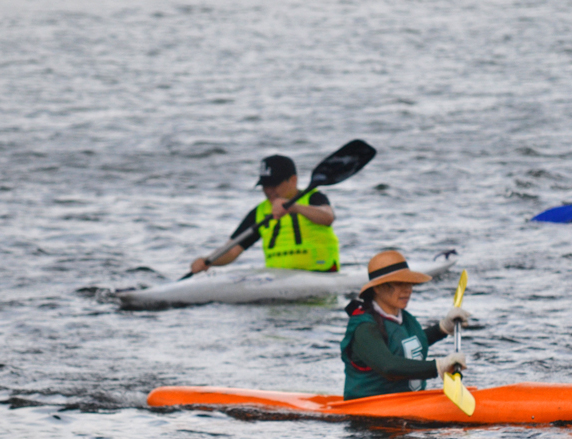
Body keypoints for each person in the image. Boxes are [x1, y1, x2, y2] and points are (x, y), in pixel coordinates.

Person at [340, 251, 470, 400]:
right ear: (377, 288)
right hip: (367, 414)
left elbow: (407, 344)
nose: (407, 289)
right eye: (399, 283)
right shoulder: (364, 328)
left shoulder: (403, 317)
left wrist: (443, 328)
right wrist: (438, 366)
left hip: (407, 403)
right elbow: (388, 366)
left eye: (409, 283)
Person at [190, 154, 340, 274]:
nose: (269, 191)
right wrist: (207, 261)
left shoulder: (313, 198)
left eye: (275, 184)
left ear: (293, 180)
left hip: (321, 272)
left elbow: (327, 217)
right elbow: (232, 250)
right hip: (279, 278)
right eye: (265, 185)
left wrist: (294, 207)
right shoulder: (259, 212)